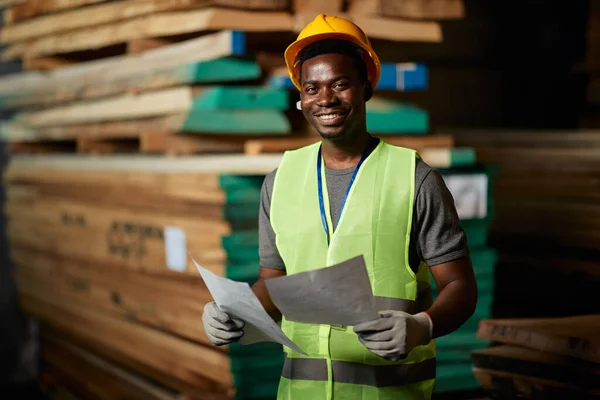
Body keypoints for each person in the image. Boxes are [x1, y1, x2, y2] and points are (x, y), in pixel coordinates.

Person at [202, 14, 478, 400]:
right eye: (312, 87)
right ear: (301, 98)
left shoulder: (414, 178)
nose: (325, 99)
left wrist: (422, 325)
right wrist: (233, 312)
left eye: (340, 84)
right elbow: (272, 284)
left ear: (366, 87)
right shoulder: (280, 180)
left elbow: (460, 286)